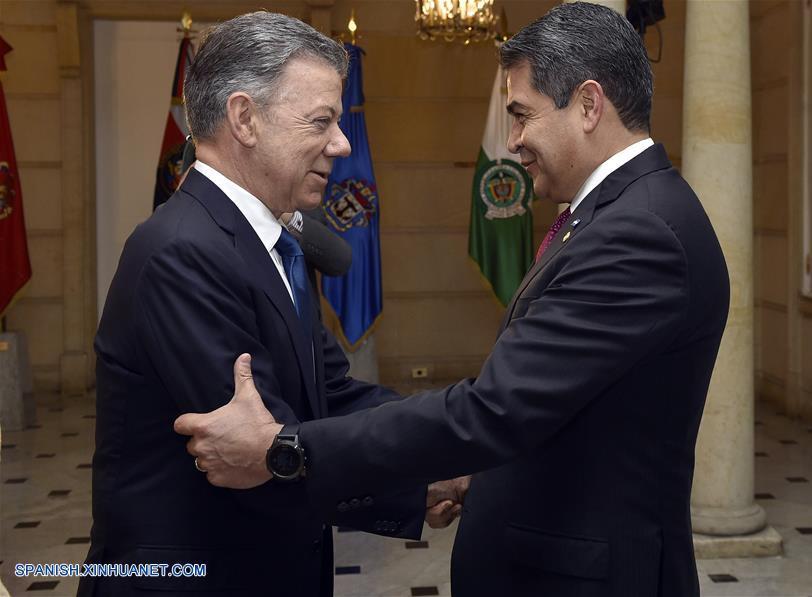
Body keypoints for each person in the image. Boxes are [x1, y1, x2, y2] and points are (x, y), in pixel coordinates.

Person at [176, 3, 730, 596]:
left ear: (589, 105)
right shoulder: (616, 215)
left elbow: (495, 410)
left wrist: (287, 450)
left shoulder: (638, 231)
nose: (513, 141)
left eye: (522, 115)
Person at [81, 12, 457, 597]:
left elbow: (331, 394)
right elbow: (258, 448)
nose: (342, 143)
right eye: (321, 121)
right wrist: (417, 485)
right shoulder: (182, 251)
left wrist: (450, 443)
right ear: (244, 119)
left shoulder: (267, 241)